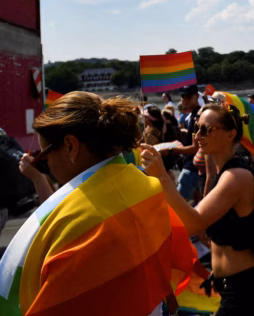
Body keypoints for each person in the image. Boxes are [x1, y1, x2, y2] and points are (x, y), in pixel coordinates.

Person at [0, 92, 196, 315]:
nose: (47, 165)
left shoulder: (77, 225)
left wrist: (38, 179)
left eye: (43, 156)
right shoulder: (146, 187)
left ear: (71, 146)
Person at [142, 103, 254, 316]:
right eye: (197, 128)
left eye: (206, 129)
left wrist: (162, 177)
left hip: (244, 288)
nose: (197, 136)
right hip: (233, 284)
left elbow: (193, 224)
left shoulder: (235, 176)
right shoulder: (225, 172)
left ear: (230, 134)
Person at [176, 84, 202, 200]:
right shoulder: (193, 115)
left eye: (189, 97)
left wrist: (171, 149)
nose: (185, 100)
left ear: (196, 96)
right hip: (197, 166)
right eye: (183, 97)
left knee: (177, 204)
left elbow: (195, 148)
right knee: (198, 202)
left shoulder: (198, 116)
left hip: (192, 166)